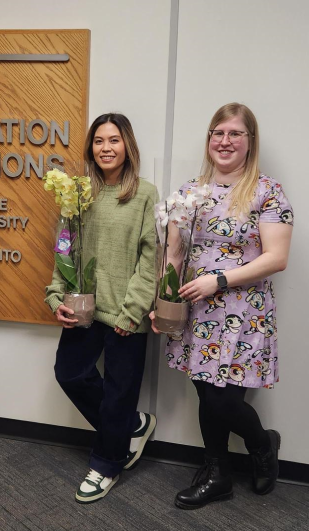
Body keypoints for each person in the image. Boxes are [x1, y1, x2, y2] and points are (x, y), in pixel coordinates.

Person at [151, 103, 293, 509]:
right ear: (209, 139)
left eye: (235, 134)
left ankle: (262, 444)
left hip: (243, 314)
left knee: (222, 400)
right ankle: (218, 474)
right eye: (218, 133)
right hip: (195, 312)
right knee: (204, 393)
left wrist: (219, 280)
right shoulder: (189, 192)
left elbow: (276, 257)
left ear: (250, 142)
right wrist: (162, 302)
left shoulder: (266, 191)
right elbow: (174, 256)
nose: (225, 141)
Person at [45, 113, 158, 504]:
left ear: (127, 146)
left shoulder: (145, 193)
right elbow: (64, 248)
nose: (105, 148)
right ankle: (130, 427)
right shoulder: (78, 193)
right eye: (98, 141)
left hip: (126, 312)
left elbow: (151, 260)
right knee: (70, 373)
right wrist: (57, 296)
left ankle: (107, 463)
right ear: (91, 148)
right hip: (84, 309)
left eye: (113, 140)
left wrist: (134, 311)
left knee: (118, 392)